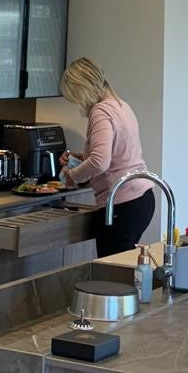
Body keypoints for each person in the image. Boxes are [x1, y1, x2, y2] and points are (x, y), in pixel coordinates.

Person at [59, 57, 153, 257]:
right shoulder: (120, 105)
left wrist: (72, 175)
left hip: (121, 203)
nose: (78, 103)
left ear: (82, 88)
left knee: (112, 275)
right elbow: (117, 153)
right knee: (125, 270)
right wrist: (80, 156)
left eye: (75, 96)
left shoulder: (100, 111)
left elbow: (100, 161)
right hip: (142, 199)